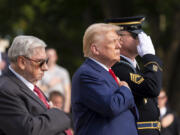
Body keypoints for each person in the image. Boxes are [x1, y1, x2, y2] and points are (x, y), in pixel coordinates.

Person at [71, 23, 139, 135]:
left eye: (119, 41)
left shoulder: (105, 72)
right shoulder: (87, 74)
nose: (119, 46)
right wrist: (126, 89)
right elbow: (111, 106)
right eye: (113, 41)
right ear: (95, 49)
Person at [0, 35, 71, 135]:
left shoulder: (29, 84)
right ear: (22, 62)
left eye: (46, 61)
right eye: (40, 62)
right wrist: (57, 113)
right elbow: (29, 130)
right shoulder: (5, 89)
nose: (45, 67)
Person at [106, 16, 163, 135]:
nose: (140, 39)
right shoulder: (118, 68)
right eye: (135, 35)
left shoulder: (133, 67)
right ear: (119, 39)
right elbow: (152, 88)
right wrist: (150, 57)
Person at [38, 48, 71, 113]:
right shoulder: (40, 71)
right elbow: (37, 90)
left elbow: (68, 92)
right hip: (45, 106)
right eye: (48, 55)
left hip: (60, 106)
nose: (50, 57)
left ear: (56, 57)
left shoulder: (63, 72)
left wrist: (66, 109)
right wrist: (49, 85)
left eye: (52, 55)